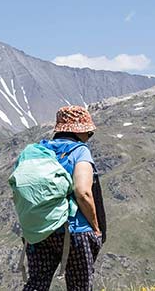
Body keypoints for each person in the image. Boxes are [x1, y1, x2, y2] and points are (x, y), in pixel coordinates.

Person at [22, 106, 104, 291]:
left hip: (39, 230)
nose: (88, 137)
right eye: (88, 133)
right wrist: (96, 227)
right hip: (74, 230)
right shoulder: (80, 151)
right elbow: (83, 192)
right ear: (79, 131)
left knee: (37, 283)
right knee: (79, 287)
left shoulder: (38, 150)